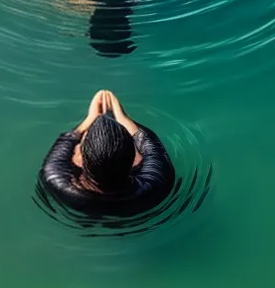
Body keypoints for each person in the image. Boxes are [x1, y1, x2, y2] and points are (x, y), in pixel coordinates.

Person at [39, 89, 174, 216]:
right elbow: (149, 144)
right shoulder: (155, 183)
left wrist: (90, 119)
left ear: (79, 159)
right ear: (135, 160)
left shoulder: (55, 179)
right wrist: (123, 117)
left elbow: (66, 141)